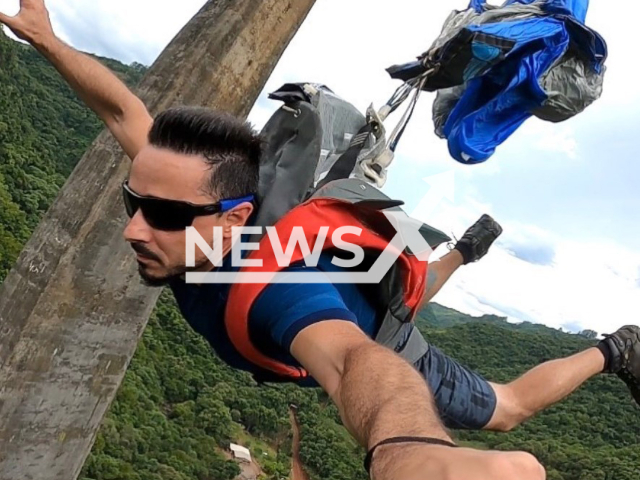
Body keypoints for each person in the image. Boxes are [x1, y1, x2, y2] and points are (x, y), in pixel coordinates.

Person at [2, 2, 638, 480]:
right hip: (353, 280)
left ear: (233, 217)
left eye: (163, 215)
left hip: (376, 335)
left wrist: (405, 450)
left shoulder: (277, 295)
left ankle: (616, 349)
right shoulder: (187, 195)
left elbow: (355, 361)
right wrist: (50, 41)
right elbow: (124, 113)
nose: (135, 228)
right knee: (406, 290)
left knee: (505, 408)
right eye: (133, 204)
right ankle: (465, 251)